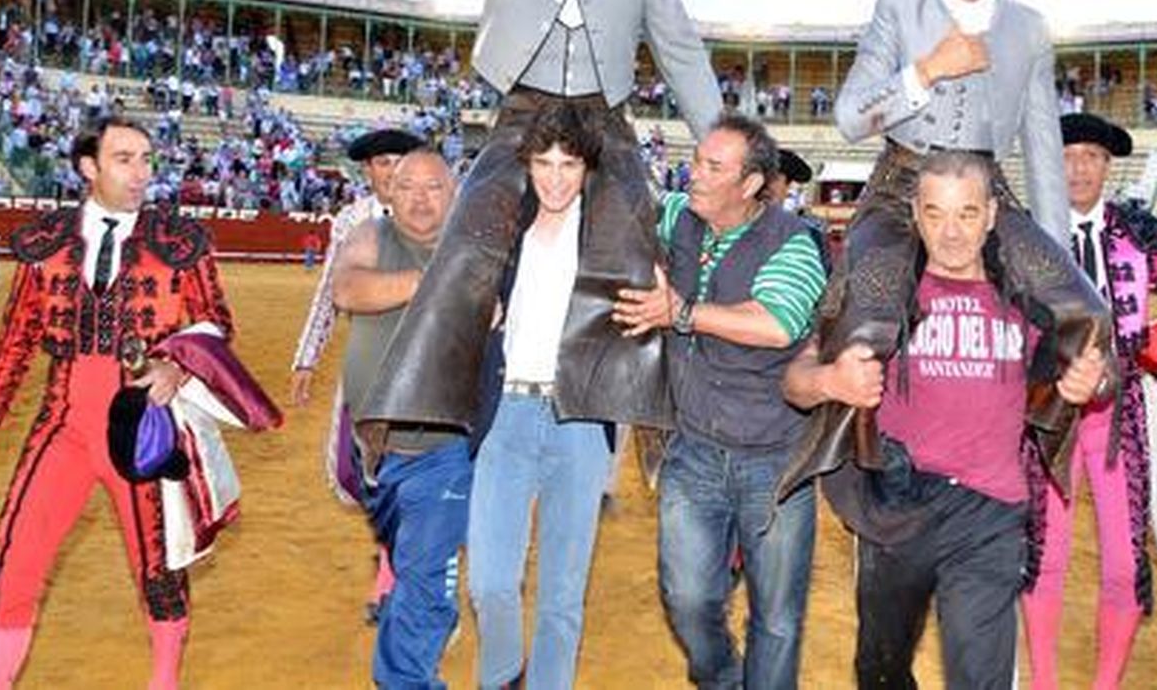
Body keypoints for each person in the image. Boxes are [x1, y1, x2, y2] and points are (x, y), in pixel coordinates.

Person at [361, 0, 722, 449]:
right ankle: (415, 411)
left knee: (639, 244)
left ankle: (656, 424)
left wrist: (722, 144)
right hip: (521, 112)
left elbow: (680, 51)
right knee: (469, 237)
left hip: (604, 119)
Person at [778, 0, 1113, 510]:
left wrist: (1055, 245)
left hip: (988, 191)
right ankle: (862, 464)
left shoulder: (1030, 28)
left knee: (1085, 309)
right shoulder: (899, 9)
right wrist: (926, 70)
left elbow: (1042, 144)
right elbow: (852, 117)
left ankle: (1034, 419)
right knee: (871, 313)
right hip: (904, 184)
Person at [0, 116, 276, 690]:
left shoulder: (178, 242)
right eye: (125, 158)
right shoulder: (44, 242)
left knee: (158, 564)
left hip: (140, 425)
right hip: (63, 424)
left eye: (147, 158)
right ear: (88, 167)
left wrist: (178, 364)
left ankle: (164, 681)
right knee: (14, 556)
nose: (141, 172)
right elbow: (16, 338)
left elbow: (215, 323)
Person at [783, 150, 1106, 688]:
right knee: (881, 672)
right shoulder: (878, 298)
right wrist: (828, 382)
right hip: (897, 505)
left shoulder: (1028, 299)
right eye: (935, 214)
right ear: (914, 212)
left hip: (991, 512)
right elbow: (795, 380)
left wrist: (1084, 385)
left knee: (980, 676)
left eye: (967, 214)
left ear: (993, 215)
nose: (952, 233)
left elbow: (1086, 366)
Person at [613, 114, 827, 688]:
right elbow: (622, 212)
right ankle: (723, 679)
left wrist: (681, 313)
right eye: (696, 161)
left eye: (713, 167)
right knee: (685, 597)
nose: (695, 176)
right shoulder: (679, 214)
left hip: (777, 462)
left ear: (752, 184)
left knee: (777, 620)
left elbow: (777, 324)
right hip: (694, 449)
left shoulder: (796, 242)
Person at [1020, 113, 1157, 689]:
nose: (1078, 167)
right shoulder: (1021, 234)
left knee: (1125, 563)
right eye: (1066, 155)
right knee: (1044, 555)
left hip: (1118, 414)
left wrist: (1148, 350)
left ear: (1108, 165)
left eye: (1092, 156)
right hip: (1045, 412)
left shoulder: (1140, 231)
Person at [467, 103, 617, 690]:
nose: (555, 177)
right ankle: (502, 679)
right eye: (544, 162)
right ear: (526, 164)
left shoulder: (609, 231)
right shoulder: (503, 223)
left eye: (569, 164)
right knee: (491, 584)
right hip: (505, 410)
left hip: (577, 416)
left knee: (562, 595)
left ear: (587, 169)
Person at [311, 149, 469, 688]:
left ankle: (404, 680)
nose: (421, 199)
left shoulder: (473, 247)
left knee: (425, 574)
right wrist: (434, 283)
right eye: (408, 187)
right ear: (389, 193)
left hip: (443, 445)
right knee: (411, 566)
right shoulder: (371, 237)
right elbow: (348, 288)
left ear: (454, 195)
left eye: (434, 188)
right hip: (375, 450)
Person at [290, 127, 425, 625]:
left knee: (411, 473)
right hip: (366, 363)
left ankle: (393, 570)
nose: (391, 172)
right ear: (367, 171)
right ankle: (393, 550)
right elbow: (329, 291)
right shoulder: (351, 220)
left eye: (399, 162)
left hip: (424, 366)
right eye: (382, 163)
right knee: (354, 471)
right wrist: (307, 357)